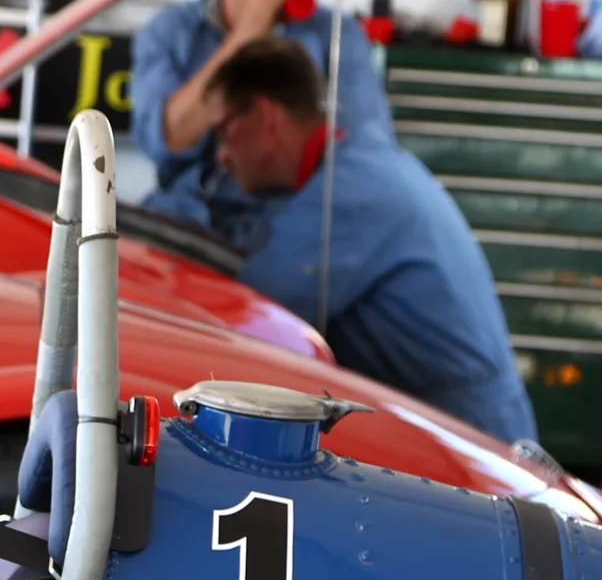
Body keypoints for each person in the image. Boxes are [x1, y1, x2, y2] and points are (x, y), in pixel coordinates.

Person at [201, 37, 536, 444]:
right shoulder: (356, 162)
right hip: (451, 425)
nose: (221, 156)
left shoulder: (347, 195)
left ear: (265, 116)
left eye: (223, 133)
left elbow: (248, 320)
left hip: (469, 438)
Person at [129, 0, 396, 221]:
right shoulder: (171, 31)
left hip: (290, 216)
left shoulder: (337, 34)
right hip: (187, 213)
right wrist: (247, 35)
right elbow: (165, 140)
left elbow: (366, 147)